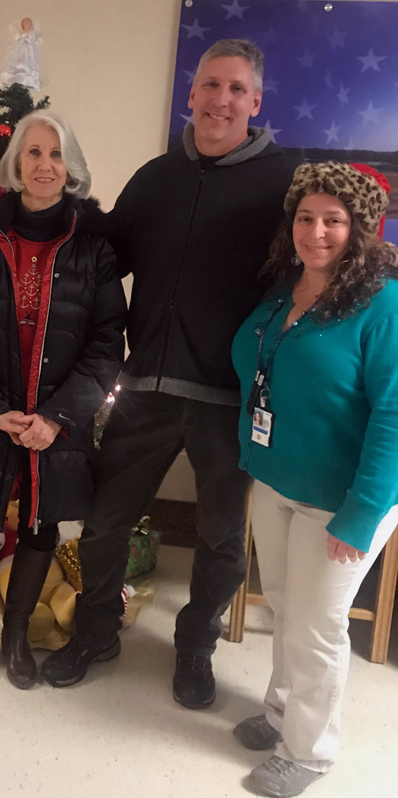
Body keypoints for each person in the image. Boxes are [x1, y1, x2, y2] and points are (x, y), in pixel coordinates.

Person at [42, 39, 300, 705]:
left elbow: (312, 275)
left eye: (237, 89)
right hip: (146, 385)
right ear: (191, 94)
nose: (222, 100)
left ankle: (195, 646)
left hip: (230, 397)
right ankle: (95, 633)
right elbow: (106, 257)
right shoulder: (157, 178)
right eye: (211, 85)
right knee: (103, 525)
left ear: (256, 102)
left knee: (220, 542)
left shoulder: (284, 184)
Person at [0, 110, 126, 690]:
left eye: (56, 155)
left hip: (55, 423)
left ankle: (15, 635)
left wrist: (58, 418)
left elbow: (107, 343)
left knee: (40, 524)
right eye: (33, 153)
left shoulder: (94, 250)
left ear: (71, 168)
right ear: (15, 166)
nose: (44, 165)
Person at [231, 162, 398, 798]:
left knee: (316, 625)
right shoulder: (284, 292)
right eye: (306, 217)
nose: (317, 231)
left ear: (360, 228)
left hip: (346, 497)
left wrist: (362, 513)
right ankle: (279, 714)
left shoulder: (384, 304)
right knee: (284, 604)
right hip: (276, 480)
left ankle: (310, 752)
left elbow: (394, 417)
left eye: (333, 219)